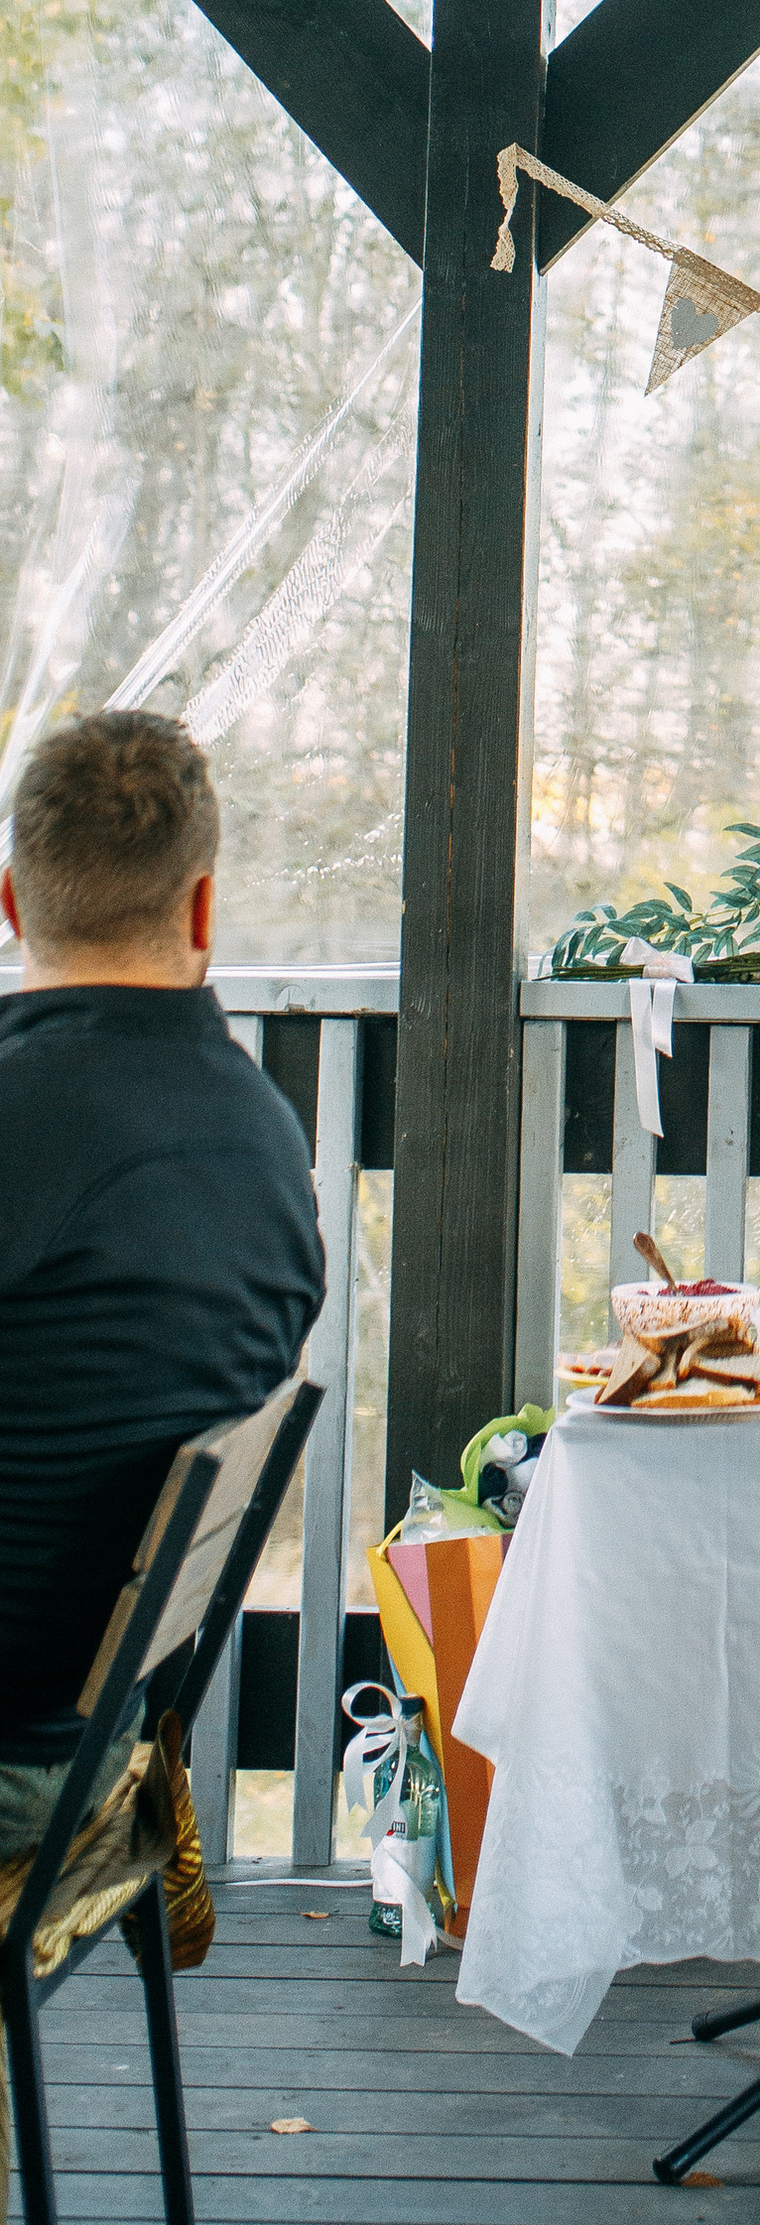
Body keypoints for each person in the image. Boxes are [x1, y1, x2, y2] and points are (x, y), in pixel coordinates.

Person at [0, 712, 325, 1860]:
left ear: (10, 901)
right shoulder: (264, 1139)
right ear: (199, 907)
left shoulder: (23, 1111)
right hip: (105, 1743)